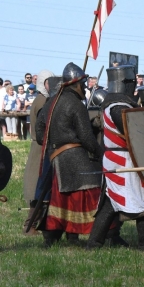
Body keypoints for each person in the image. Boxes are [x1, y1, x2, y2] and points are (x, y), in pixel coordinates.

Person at [87, 65, 144, 250]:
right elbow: (133, 133)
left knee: (111, 203)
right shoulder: (118, 107)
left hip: (123, 159)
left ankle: (94, 243)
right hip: (124, 160)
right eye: (132, 82)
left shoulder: (119, 105)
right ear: (126, 83)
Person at [35, 62, 103, 247]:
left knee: (63, 199)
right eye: (83, 83)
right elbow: (87, 138)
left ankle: (65, 236)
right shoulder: (75, 104)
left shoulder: (51, 102)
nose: (84, 86)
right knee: (93, 191)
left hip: (56, 158)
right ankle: (106, 232)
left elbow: (40, 135)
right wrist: (101, 153)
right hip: (75, 158)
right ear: (76, 84)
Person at [22, 70, 55, 234]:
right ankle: (30, 225)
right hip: (41, 147)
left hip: (42, 146)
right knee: (39, 188)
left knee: (42, 188)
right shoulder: (43, 102)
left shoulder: (43, 99)